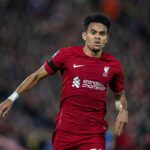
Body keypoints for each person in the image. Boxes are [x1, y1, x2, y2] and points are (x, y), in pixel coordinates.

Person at [0, 14, 128, 150]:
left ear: (106, 39)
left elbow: (118, 95)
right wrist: (11, 98)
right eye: (93, 32)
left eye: (102, 34)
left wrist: (123, 110)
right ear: (85, 35)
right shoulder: (66, 55)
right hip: (65, 133)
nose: (97, 37)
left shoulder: (113, 65)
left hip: (93, 135)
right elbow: (37, 76)